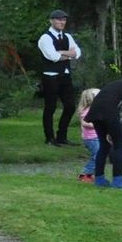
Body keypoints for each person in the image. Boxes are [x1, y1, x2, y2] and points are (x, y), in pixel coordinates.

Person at [37, 8, 83, 146]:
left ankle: (62, 136)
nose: (62, 22)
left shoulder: (67, 36)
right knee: (50, 107)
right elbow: (53, 57)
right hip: (50, 77)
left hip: (65, 75)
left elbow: (77, 53)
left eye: (64, 20)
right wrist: (68, 54)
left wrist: (62, 52)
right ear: (51, 21)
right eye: (58, 19)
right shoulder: (45, 38)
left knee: (70, 106)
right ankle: (50, 138)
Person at [85, 77, 122, 188]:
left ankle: (99, 179)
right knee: (121, 145)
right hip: (108, 111)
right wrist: (119, 125)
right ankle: (118, 181)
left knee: (104, 145)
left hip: (95, 111)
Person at [77, 87, 103, 182]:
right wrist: (97, 124)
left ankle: (93, 174)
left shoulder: (95, 109)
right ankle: (85, 174)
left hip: (96, 137)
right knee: (97, 156)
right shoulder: (87, 110)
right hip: (91, 138)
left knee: (99, 155)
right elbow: (84, 123)